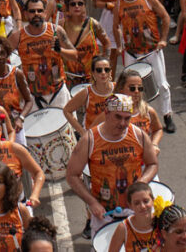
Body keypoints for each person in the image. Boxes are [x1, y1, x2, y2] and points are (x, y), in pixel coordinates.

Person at [67, 93, 159, 239]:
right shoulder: (89, 140)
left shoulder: (138, 135)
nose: (123, 123)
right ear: (107, 113)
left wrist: (142, 183)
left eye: (127, 118)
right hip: (105, 215)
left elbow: (152, 163)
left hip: (135, 213)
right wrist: (92, 202)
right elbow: (72, 175)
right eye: (118, 117)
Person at [114, 0, 175, 132]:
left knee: (162, 85)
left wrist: (163, 39)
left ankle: (167, 115)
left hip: (151, 50)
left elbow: (165, 17)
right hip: (131, 53)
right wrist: (120, 43)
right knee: (130, 88)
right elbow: (115, 26)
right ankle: (132, 118)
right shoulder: (119, 4)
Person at [105, 182, 160, 252]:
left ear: (153, 200)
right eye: (137, 203)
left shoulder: (161, 222)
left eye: (146, 201)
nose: (142, 206)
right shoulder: (124, 228)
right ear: (130, 206)